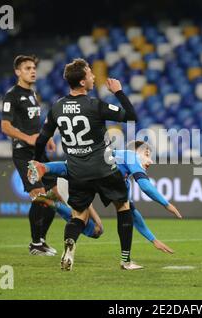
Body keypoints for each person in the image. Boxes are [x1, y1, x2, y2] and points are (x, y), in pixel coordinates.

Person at [33, 58, 140, 271]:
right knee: (123, 207)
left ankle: (70, 245)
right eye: (90, 74)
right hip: (103, 168)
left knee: (78, 216)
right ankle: (126, 260)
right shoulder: (95, 106)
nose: (93, 77)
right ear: (82, 82)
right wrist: (118, 92)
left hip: (77, 172)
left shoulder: (57, 107)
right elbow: (131, 116)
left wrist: (38, 161)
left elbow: (41, 140)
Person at [29, 140, 182, 254]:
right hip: (73, 174)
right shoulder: (128, 155)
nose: (151, 161)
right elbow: (145, 186)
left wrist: (153, 239)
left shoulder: (121, 175)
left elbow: (132, 214)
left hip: (74, 176)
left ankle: (53, 201)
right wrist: (167, 204)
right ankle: (53, 201)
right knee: (81, 218)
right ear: (136, 152)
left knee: (97, 230)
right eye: (147, 154)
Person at [0, 55, 57, 256]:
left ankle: (41, 240)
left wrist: (45, 136)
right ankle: (35, 244)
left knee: (54, 195)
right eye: (27, 68)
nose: (32, 71)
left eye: (33, 68)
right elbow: (5, 126)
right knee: (40, 195)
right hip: (23, 153)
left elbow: (35, 123)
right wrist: (28, 138)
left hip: (38, 152)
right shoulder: (12, 96)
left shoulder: (33, 94)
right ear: (17, 72)